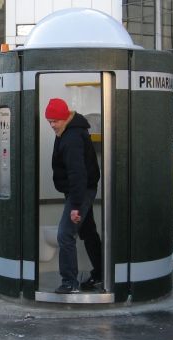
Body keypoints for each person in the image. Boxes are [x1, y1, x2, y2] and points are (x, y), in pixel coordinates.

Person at [44, 98, 102, 294]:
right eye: (49, 121)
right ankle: (100, 273)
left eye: (55, 121)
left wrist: (76, 206)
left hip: (80, 192)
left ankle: (70, 282)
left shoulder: (71, 138)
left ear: (64, 118)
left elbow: (77, 173)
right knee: (88, 232)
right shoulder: (68, 130)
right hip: (81, 190)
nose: (52, 125)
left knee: (65, 235)